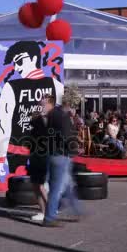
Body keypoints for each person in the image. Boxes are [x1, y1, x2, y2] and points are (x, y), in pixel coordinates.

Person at [0, 41, 64, 181]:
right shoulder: (55, 85)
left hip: (19, 147)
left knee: (19, 187)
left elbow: (3, 124)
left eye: (20, 61)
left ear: (34, 58)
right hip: (40, 146)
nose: (17, 68)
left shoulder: (11, 87)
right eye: (15, 64)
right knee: (42, 184)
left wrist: (0, 158)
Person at [42, 94, 82, 227]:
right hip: (61, 155)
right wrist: (74, 149)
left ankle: (77, 210)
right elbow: (66, 136)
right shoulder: (62, 116)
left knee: (66, 186)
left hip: (53, 153)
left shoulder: (52, 115)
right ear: (71, 105)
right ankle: (50, 217)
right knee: (56, 187)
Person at [28, 111, 48, 222]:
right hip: (39, 159)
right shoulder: (41, 131)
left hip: (39, 160)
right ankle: (44, 211)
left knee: (39, 187)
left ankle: (48, 210)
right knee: (37, 187)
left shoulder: (37, 131)